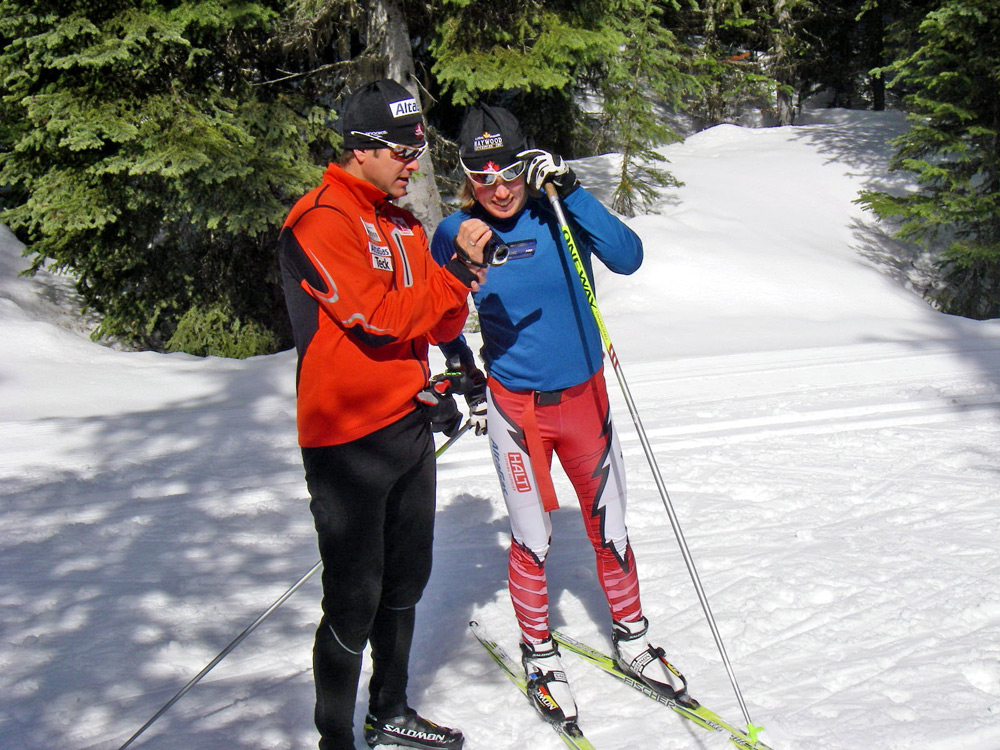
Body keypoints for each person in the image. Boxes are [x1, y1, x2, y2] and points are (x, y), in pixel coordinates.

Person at [431, 104, 693, 725]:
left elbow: (628, 258)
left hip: (585, 401)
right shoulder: (456, 231)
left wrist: (571, 190)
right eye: (480, 176)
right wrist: (462, 364)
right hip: (516, 408)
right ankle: (540, 652)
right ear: (466, 176)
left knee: (611, 527)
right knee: (534, 534)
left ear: (528, 165)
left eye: (508, 174)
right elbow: (439, 317)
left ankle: (632, 639)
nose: (497, 189)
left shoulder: (557, 213)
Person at [278, 79, 487, 750]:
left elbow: (438, 316)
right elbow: (378, 316)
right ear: (362, 149)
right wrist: (449, 278)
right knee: (353, 597)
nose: (412, 163)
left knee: (407, 580)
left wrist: (458, 276)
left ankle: (388, 710)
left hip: (407, 425)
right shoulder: (320, 219)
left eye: (418, 149)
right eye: (402, 150)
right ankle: (334, 739)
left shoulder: (402, 222)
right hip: (345, 439)